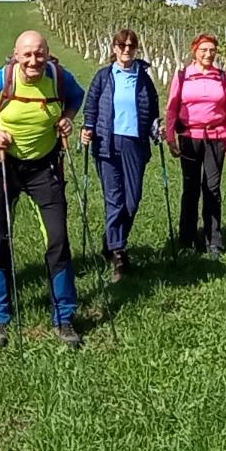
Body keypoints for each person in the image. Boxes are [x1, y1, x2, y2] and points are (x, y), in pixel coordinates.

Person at [0, 29, 86, 348]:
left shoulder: (59, 78)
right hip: (3, 164)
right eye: (27, 54)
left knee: (58, 240)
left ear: (47, 54)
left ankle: (64, 319)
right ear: (16, 55)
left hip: (44, 167)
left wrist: (68, 118)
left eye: (39, 54)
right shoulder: (0, 80)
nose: (34, 60)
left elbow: (77, 96)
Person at [81, 28, 160, 282]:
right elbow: (91, 106)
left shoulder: (144, 78)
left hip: (135, 144)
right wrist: (88, 128)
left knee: (132, 200)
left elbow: (153, 108)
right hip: (107, 141)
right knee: (114, 199)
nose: (126, 50)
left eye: (131, 46)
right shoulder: (104, 76)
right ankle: (118, 252)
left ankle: (111, 239)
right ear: (114, 48)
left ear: (136, 49)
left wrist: (157, 129)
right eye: (122, 45)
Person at [165, 33, 226, 257]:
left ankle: (213, 240)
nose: (208, 54)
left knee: (212, 190)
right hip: (189, 138)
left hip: (216, 139)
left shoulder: (222, 78)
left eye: (212, 50)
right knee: (190, 189)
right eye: (203, 50)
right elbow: (171, 108)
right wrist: (170, 138)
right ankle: (186, 241)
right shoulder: (183, 75)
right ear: (194, 52)